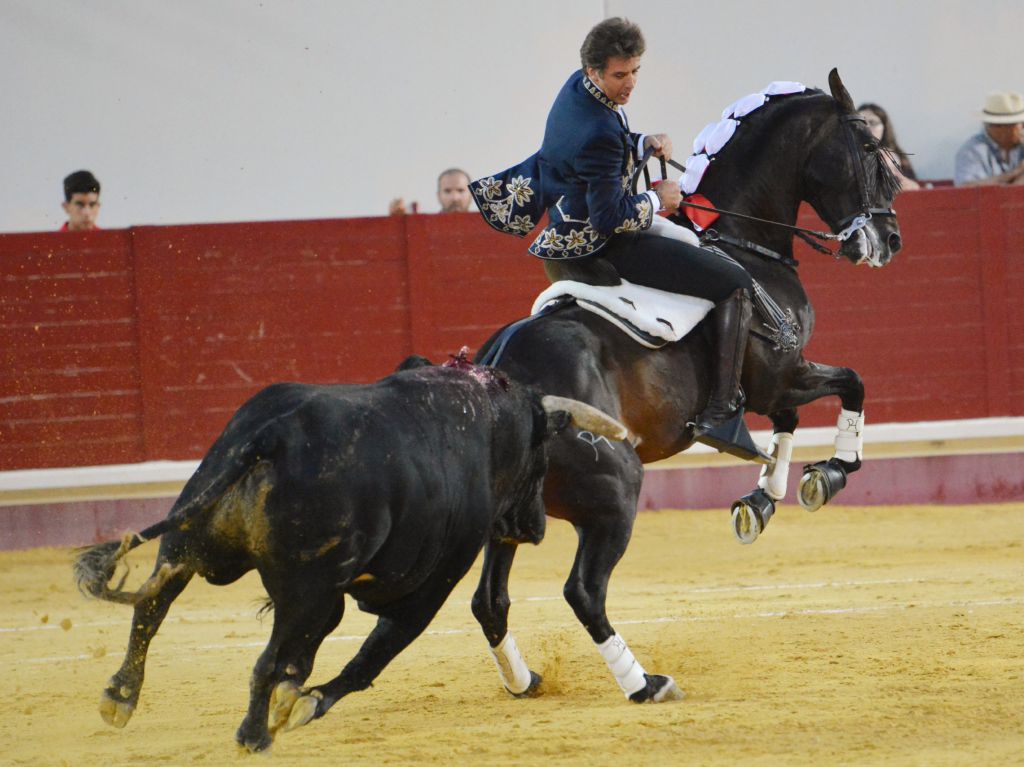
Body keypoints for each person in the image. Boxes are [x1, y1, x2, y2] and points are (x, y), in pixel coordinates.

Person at [469, 17, 755, 442]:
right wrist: (660, 200)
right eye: (620, 75)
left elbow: (590, 151)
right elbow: (608, 217)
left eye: (636, 70)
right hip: (601, 248)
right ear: (594, 71)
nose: (631, 83)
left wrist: (640, 143)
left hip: (559, 241)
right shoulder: (600, 128)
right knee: (733, 281)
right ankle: (722, 408)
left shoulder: (576, 90)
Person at [954, 92, 1024, 187]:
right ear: (1000, 128)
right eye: (1020, 124)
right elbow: (967, 188)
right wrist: (1014, 173)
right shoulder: (973, 150)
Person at [857, 103, 920, 191]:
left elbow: (915, 186)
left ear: (884, 127)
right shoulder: (847, 157)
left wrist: (910, 185)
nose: (866, 127)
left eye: (872, 122)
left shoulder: (899, 158)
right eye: (862, 122)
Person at [389, 168, 474, 215]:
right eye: (447, 191)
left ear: (471, 195)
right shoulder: (423, 229)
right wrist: (396, 220)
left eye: (461, 190)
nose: (455, 197)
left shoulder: (486, 225)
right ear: (438, 196)